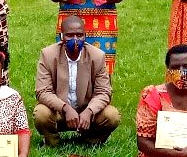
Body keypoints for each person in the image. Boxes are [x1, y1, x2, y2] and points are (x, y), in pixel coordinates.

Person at [33, 15, 121, 148]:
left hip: (86, 111)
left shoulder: (97, 56)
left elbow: (104, 92)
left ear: (84, 36)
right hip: (59, 112)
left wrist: (89, 111)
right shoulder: (48, 55)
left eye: (79, 35)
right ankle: (52, 143)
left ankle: (90, 140)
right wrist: (65, 108)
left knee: (112, 115)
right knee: (41, 113)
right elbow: (43, 91)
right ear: (62, 37)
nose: (75, 40)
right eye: (70, 35)